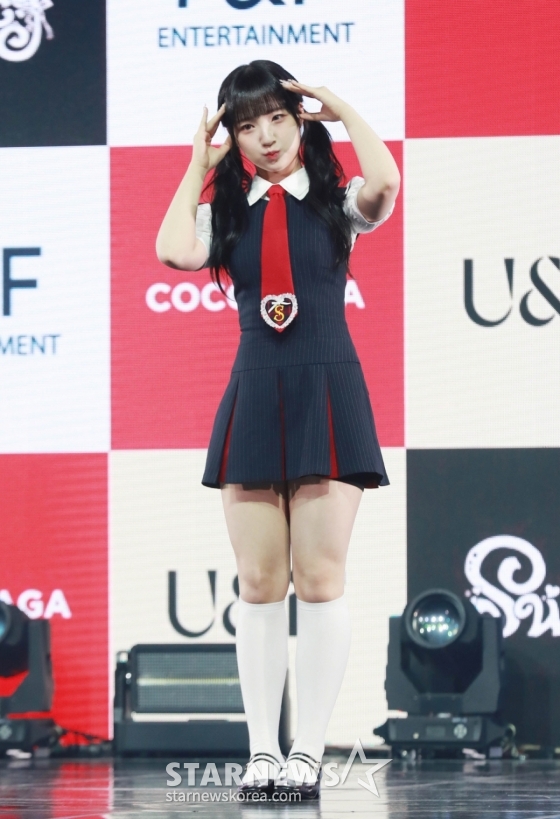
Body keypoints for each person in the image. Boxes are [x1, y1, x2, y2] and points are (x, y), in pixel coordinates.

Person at [156, 60, 400, 800]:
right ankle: (262, 751)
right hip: (257, 392)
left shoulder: (334, 201)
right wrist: (198, 166)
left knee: (319, 578)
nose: (264, 136)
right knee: (260, 581)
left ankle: (308, 753)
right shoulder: (227, 213)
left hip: (328, 387)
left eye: (276, 119)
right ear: (232, 137)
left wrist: (341, 109)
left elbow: (385, 183)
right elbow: (173, 250)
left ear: (299, 122)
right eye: (246, 125)